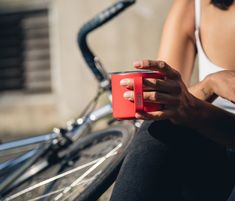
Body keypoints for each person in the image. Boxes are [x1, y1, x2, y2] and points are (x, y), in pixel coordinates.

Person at [110, 0, 235, 201]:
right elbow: (167, 104)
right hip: (212, 152)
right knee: (159, 126)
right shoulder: (192, 5)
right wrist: (208, 85)